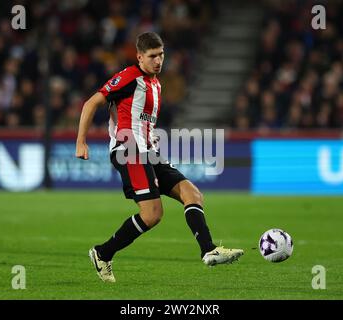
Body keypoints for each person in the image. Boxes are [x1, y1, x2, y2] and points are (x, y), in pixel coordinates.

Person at [75, 32, 243, 283]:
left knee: (192, 194)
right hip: (129, 150)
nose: (158, 60)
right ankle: (102, 253)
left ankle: (209, 251)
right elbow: (91, 103)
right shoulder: (129, 77)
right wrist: (81, 141)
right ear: (139, 56)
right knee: (153, 214)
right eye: (152, 56)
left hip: (149, 152)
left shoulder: (156, 83)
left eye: (161, 54)